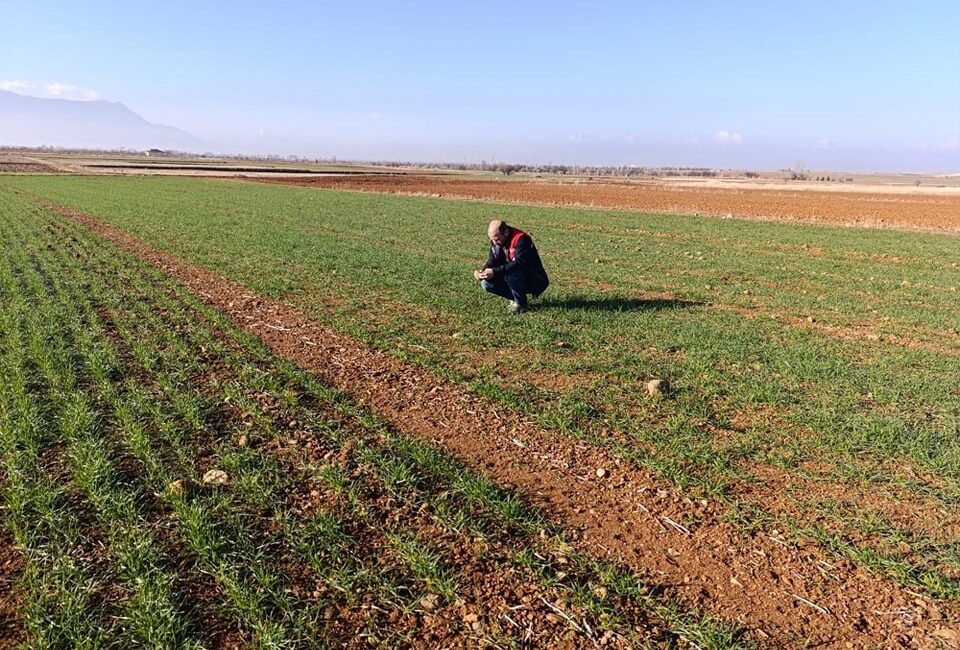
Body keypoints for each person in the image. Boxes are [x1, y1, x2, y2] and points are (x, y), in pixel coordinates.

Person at [473, 219, 549, 313]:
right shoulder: (496, 241)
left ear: (506, 232)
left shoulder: (522, 240)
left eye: (497, 239)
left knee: (511, 275)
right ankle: (517, 298)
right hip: (515, 275)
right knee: (486, 283)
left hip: (534, 279)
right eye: (492, 239)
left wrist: (495, 271)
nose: (494, 242)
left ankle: (521, 305)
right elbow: (492, 261)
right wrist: (482, 272)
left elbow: (520, 263)